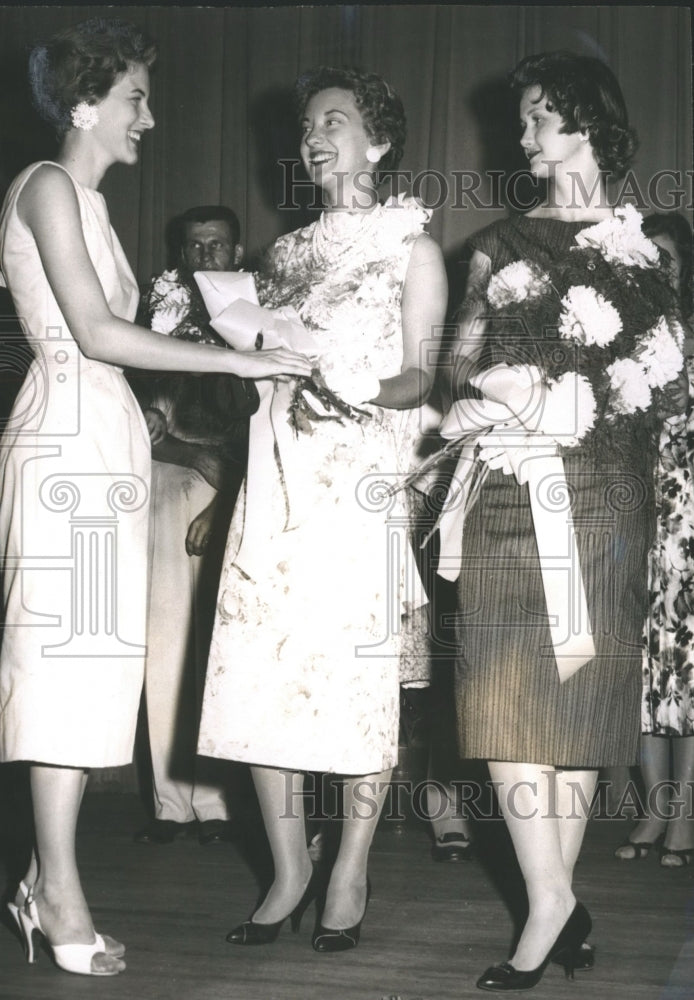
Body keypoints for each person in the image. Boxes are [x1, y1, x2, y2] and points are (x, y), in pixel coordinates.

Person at [0, 18, 310, 978]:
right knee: (64, 676)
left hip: (102, 452)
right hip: (67, 457)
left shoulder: (86, 201)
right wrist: (234, 354)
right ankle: (55, 895)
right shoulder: (48, 186)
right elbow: (94, 333)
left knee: (91, 680)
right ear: (86, 104)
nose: (151, 116)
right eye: (136, 97)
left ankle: (45, 883)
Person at [440, 51, 685, 991]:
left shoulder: (638, 252)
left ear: (587, 123)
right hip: (510, 486)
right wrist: (507, 392)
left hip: (604, 496)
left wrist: (601, 405)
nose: (524, 133)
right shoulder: (498, 246)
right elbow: (459, 363)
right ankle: (557, 901)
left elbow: (667, 381)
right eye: (525, 117)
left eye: (541, 116)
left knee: (577, 703)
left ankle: (548, 907)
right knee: (500, 697)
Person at [197, 66, 447, 952]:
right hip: (277, 478)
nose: (314, 136)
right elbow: (256, 371)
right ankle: (288, 868)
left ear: (375, 142)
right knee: (261, 670)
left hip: (359, 483)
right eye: (307, 124)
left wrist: (365, 383)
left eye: (333, 121)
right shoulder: (283, 256)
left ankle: (349, 867)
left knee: (353, 679)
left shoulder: (410, 247)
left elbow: (424, 371)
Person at [132, 204, 253, 847]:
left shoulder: (254, 322)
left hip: (237, 496)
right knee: (165, 645)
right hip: (164, 489)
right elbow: (140, 424)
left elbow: (263, 434)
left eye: (217, 245)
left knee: (222, 651)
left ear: (238, 253)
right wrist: (183, 452)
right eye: (193, 246)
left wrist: (223, 495)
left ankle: (223, 806)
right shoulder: (158, 320)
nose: (205, 255)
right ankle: (171, 803)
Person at [615, 211, 694, 868]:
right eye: (648, 258)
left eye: (667, 257)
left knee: (688, 669)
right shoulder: (625, 337)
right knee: (641, 671)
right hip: (637, 515)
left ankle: (684, 814)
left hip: (690, 517)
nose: (658, 268)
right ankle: (653, 806)